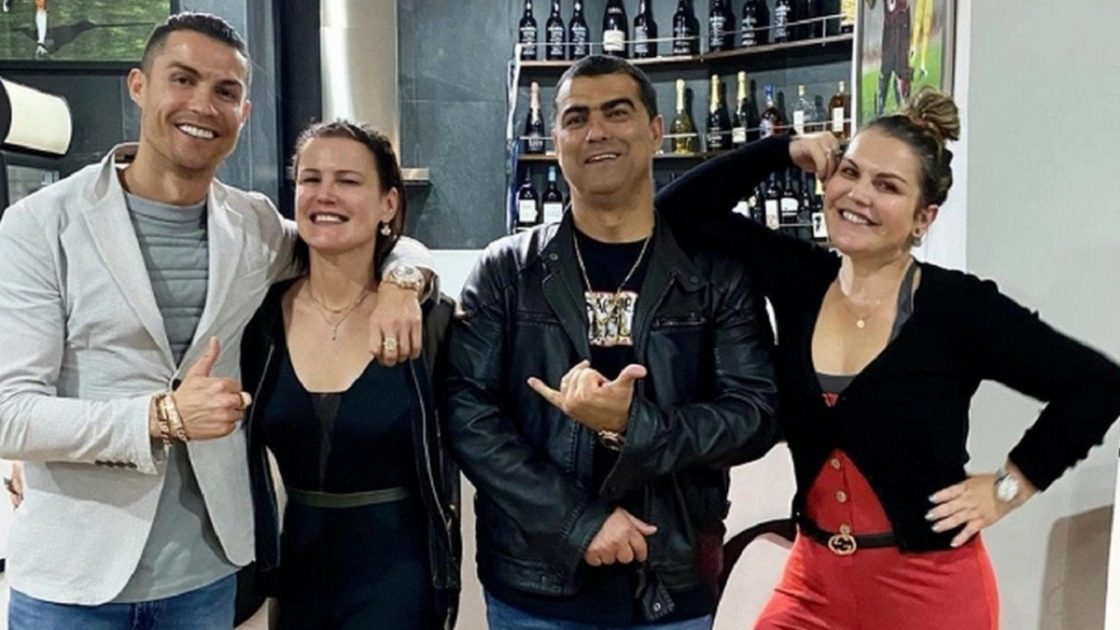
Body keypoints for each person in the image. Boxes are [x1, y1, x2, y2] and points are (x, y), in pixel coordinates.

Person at [0, 12, 432, 628]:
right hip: (74, 578)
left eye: (225, 91)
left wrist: (403, 281)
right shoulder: (41, 225)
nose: (203, 105)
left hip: (204, 574)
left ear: (243, 112)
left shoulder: (253, 227)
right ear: (138, 85)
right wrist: (161, 418)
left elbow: (365, 238)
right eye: (183, 79)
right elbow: (9, 414)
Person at [655, 88, 1120, 629]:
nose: (858, 195)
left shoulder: (958, 307)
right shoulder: (798, 277)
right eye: (849, 172)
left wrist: (1009, 487)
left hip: (929, 593)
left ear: (924, 217)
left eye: (888, 186)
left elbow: (1098, 385)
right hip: (813, 585)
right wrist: (780, 150)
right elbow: (676, 213)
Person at [444, 54, 779, 629]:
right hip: (534, 586)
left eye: (616, 113)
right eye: (576, 118)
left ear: (655, 130)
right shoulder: (507, 270)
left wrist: (632, 425)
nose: (595, 131)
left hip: (672, 581)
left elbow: (755, 414)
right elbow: (465, 411)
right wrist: (578, 522)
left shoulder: (714, 274)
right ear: (556, 140)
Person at [241, 120, 461, 629]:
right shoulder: (260, 321)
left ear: (388, 203)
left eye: (348, 180)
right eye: (310, 179)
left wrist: (403, 282)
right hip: (295, 576)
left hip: (398, 581)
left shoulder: (430, 321)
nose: (325, 195)